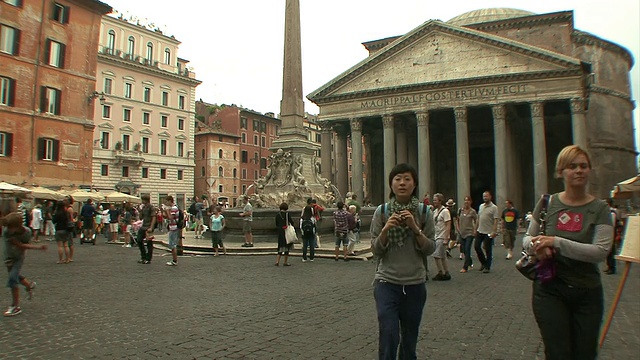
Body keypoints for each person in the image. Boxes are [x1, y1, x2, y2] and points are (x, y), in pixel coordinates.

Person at [523, 145, 612, 360]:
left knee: (585, 353)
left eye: (584, 166)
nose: (579, 170)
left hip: (587, 291)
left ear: (590, 170)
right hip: (550, 289)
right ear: (560, 171)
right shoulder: (547, 203)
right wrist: (538, 247)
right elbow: (526, 239)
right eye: (572, 166)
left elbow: (600, 251)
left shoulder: (600, 209)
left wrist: (556, 242)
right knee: (557, 353)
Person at [370, 163, 436, 360]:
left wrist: (415, 229)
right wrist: (385, 230)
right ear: (391, 184)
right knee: (389, 333)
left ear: (414, 184)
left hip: (415, 284)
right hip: (386, 283)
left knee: (409, 339)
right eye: (397, 179)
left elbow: (430, 248)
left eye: (407, 179)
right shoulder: (382, 212)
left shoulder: (424, 213)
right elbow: (375, 250)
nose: (402, 183)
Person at [2, 212, 47, 316]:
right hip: (9, 256)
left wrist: (37, 247)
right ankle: (29, 285)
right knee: (14, 276)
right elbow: (19, 244)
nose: (9, 229)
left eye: (11, 227)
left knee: (12, 278)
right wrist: (38, 247)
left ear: (18, 226)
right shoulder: (7, 232)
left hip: (18, 257)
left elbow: (23, 245)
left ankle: (15, 306)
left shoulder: (27, 232)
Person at [474, 191, 499, 273]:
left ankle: (487, 266)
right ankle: (483, 262)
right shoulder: (481, 206)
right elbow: (478, 218)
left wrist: (494, 231)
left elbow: (495, 221)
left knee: (488, 249)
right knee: (477, 246)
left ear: (490, 197)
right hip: (480, 230)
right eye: (484, 196)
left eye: (486, 196)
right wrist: (475, 228)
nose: (485, 198)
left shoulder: (494, 208)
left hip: (488, 231)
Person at [431, 193, 452, 281]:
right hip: (436, 235)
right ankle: (446, 272)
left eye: (435, 200)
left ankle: (440, 272)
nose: (434, 201)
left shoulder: (445, 211)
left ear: (440, 201)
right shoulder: (435, 211)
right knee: (443, 256)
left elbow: (448, 224)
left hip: (442, 236)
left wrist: (446, 237)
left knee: (436, 255)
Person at [456, 196, 478, 273]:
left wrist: (475, 230)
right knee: (463, 250)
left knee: (467, 249)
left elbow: (476, 220)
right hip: (462, 232)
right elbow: (457, 220)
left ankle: (465, 267)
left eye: (468, 200)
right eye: (465, 200)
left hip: (469, 233)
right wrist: (458, 228)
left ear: (470, 202)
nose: (466, 202)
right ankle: (470, 262)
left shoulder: (473, 211)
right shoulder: (460, 210)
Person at [137, 194, 157, 264]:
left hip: (149, 226)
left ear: (145, 200)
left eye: (142, 200)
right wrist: (140, 210)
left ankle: (148, 258)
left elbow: (154, 217)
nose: (142, 201)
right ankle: (143, 256)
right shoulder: (144, 207)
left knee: (149, 243)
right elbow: (141, 218)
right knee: (139, 240)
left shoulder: (151, 207)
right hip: (143, 226)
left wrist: (151, 227)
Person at [274, 202, 294, 266]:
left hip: (280, 231)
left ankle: (277, 261)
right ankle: (285, 262)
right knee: (287, 247)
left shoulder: (278, 215)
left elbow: (276, 223)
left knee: (280, 246)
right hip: (286, 231)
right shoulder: (287, 214)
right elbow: (292, 222)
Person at [163, 196, 179, 266]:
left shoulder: (174, 208)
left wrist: (166, 210)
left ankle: (174, 260)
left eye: (166, 201)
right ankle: (174, 260)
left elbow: (171, 218)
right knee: (172, 244)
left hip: (174, 227)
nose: (166, 203)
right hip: (173, 227)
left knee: (173, 245)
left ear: (170, 201)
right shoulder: (173, 208)